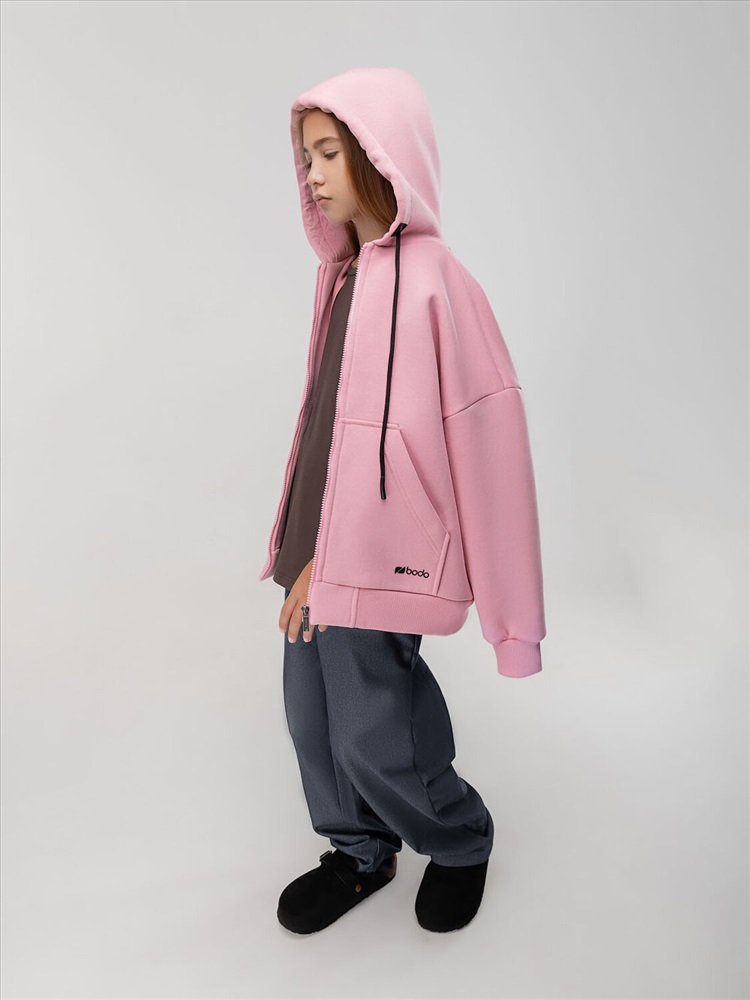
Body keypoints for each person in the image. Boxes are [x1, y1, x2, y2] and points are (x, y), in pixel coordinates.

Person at [259, 67, 546, 935]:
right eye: (305, 156)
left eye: (329, 152)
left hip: (381, 556)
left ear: (381, 155)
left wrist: (514, 625)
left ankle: (458, 840)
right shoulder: (341, 275)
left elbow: (491, 449)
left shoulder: (437, 284)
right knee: (313, 721)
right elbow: (335, 428)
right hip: (315, 548)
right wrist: (303, 550)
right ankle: (360, 851)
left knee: (373, 729)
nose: (311, 174)